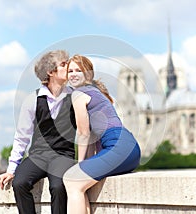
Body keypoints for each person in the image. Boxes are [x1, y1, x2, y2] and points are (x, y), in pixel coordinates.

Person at [0, 50, 76, 214]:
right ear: (50, 72)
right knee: (19, 183)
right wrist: (11, 169)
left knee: (58, 187)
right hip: (38, 155)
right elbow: (22, 137)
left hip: (63, 154)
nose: (69, 66)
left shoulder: (75, 96)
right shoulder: (32, 100)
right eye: (64, 64)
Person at [63, 54, 141, 214]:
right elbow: (92, 140)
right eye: (70, 71)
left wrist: (80, 164)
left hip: (118, 147)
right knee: (78, 181)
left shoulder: (79, 94)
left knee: (71, 180)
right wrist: (84, 166)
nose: (73, 74)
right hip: (129, 148)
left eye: (79, 70)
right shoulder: (94, 92)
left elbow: (83, 134)